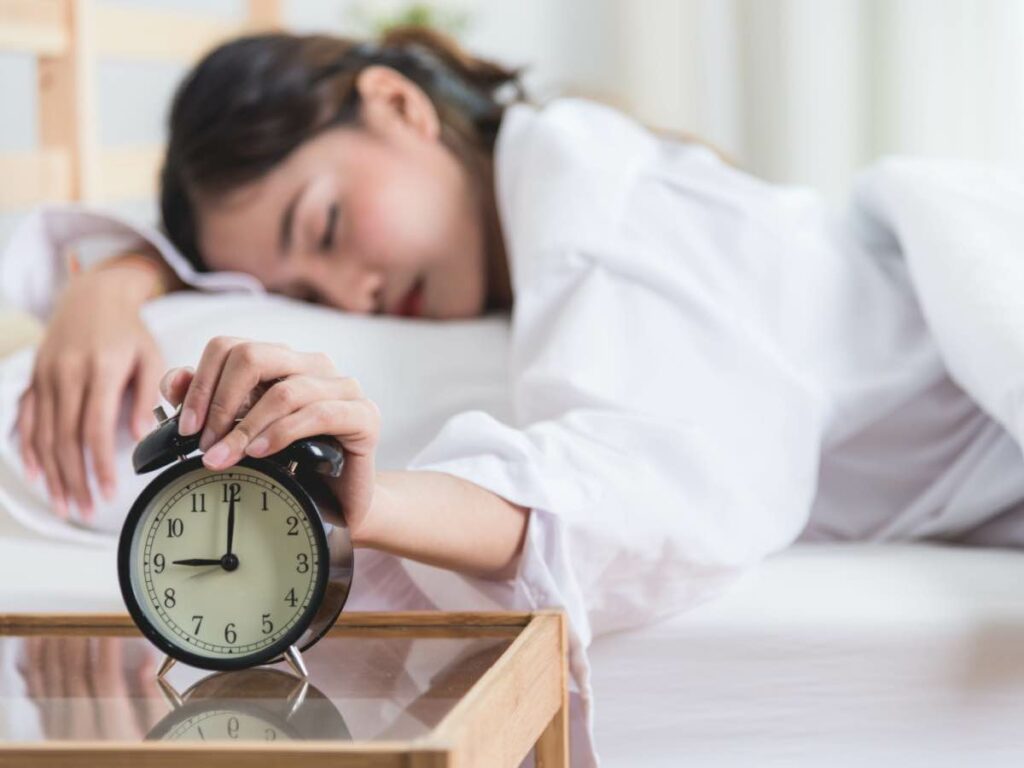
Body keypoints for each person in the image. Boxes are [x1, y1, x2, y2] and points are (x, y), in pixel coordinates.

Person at [10, 25, 1024, 765]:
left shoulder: (596, 212)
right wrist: (112, 283)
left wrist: (374, 500)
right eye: (307, 302)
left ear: (400, 107)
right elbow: (177, 234)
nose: (357, 300)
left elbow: (657, 479)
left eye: (324, 229)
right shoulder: (558, 181)